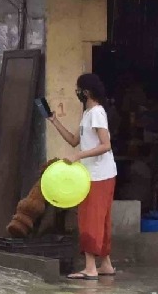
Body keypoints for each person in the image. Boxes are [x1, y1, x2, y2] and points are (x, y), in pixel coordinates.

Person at [46, 73, 118, 280]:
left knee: (90, 220)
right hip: (98, 174)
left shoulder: (96, 113)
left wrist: (78, 156)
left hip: (97, 175)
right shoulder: (87, 114)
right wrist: (54, 121)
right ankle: (106, 264)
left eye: (78, 89)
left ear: (86, 92)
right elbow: (73, 140)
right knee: (102, 219)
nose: (76, 92)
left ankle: (90, 267)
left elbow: (105, 145)